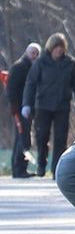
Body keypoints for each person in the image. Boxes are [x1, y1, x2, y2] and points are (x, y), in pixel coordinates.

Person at [22, 32, 75, 177]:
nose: (59, 51)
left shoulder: (69, 64)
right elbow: (31, 83)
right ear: (51, 48)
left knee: (60, 138)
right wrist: (27, 104)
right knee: (42, 136)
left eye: (62, 48)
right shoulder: (40, 63)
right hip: (43, 105)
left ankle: (57, 168)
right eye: (57, 48)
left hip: (62, 106)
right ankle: (41, 165)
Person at [8, 41, 40, 177]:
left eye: (37, 54)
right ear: (27, 52)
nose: (34, 56)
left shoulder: (35, 68)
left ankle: (20, 168)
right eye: (32, 53)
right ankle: (19, 168)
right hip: (20, 107)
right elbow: (11, 89)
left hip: (29, 107)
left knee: (23, 137)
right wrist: (15, 106)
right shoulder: (19, 67)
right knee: (22, 137)